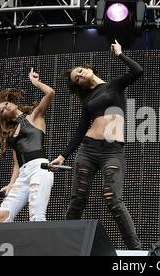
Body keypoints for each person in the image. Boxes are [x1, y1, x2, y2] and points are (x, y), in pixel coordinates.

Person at [50, 40, 143, 250]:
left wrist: (120, 53)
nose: (80, 76)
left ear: (89, 69)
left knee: (113, 198)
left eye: (80, 71)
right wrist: (63, 156)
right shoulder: (88, 101)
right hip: (88, 149)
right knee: (78, 198)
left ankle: (136, 250)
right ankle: (65, 248)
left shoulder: (114, 85)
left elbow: (138, 71)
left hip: (112, 150)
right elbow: (80, 130)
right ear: (79, 85)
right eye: (77, 78)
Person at [0, 68, 55, 223]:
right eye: (1, 110)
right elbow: (17, 162)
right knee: (0, 218)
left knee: (36, 217)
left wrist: (36, 82)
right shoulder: (12, 134)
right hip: (23, 175)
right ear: (3, 117)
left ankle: (42, 247)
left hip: (40, 168)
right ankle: (9, 247)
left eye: (5, 104)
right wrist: (11, 184)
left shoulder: (34, 117)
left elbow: (50, 93)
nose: (5, 107)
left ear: (11, 102)